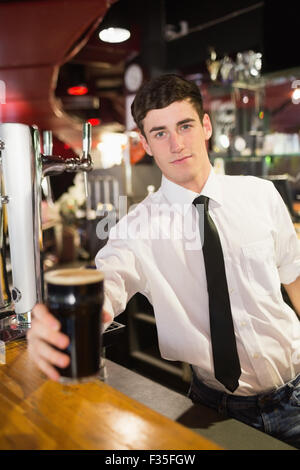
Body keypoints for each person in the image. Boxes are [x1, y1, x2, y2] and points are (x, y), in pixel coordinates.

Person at [27, 74, 300, 448]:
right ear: (146, 144)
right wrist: (64, 323)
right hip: (215, 408)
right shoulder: (137, 228)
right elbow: (107, 281)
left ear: (205, 126)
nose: (176, 143)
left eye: (184, 125)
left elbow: (294, 277)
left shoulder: (261, 195)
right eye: (159, 133)